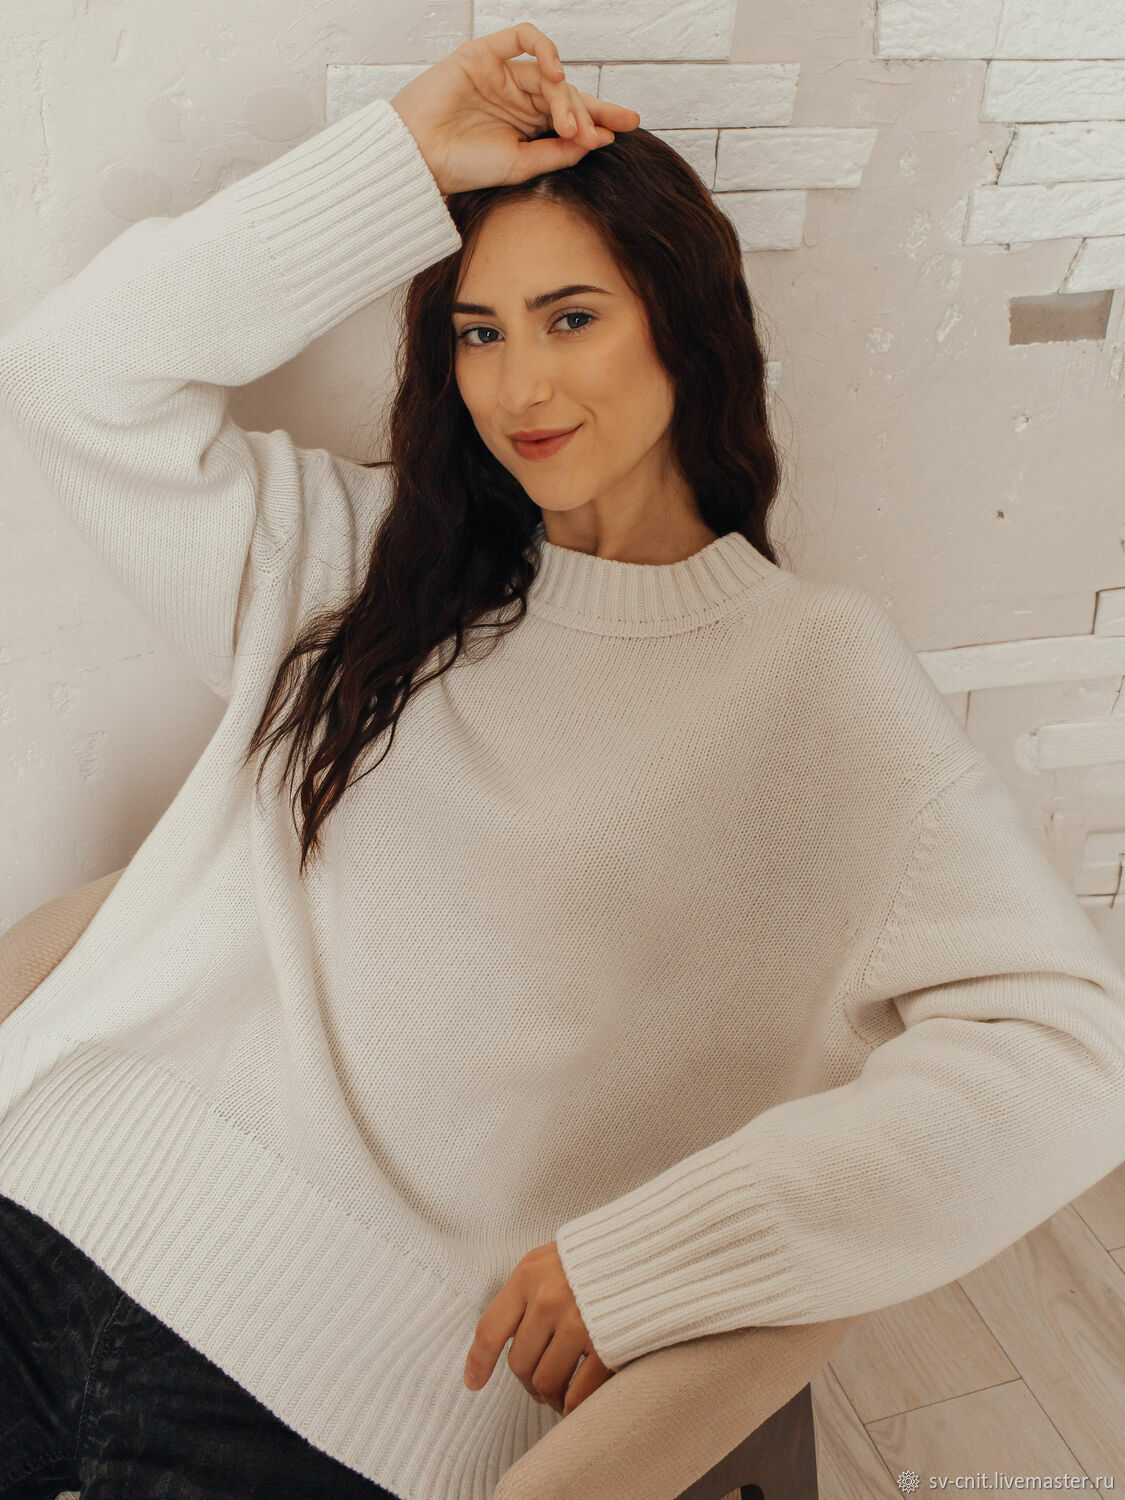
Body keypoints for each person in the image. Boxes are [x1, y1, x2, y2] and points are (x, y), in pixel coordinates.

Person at [1, 19, 1124, 1500]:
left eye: (570, 317)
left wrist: (654, 1258)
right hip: (47, 1202)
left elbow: (1071, 1055)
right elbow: (72, 372)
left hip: (330, 1399)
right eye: (479, 332)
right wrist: (406, 154)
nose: (517, 386)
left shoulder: (809, 674)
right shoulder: (357, 562)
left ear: (684, 326)